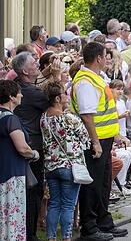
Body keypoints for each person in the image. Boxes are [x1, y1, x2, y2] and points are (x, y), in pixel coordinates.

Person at [70, 42, 126, 240]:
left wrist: (114, 135)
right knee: (92, 185)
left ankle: (103, 221)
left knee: (103, 183)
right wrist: (95, 142)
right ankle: (89, 228)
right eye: (105, 56)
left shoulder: (96, 78)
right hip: (95, 141)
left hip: (105, 138)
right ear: (98, 58)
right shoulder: (86, 81)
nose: (108, 60)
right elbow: (87, 115)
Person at [40, 81, 91, 241]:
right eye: (64, 94)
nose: (67, 96)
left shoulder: (43, 118)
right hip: (69, 166)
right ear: (57, 98)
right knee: (68, 205)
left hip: (51, 166)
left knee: (54, 203)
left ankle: (51, 237)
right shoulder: (69, 118)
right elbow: (85, 139)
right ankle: (66, 237)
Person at [12, 51, 48, 241]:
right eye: (34, 63)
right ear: (25, 71)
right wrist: (55, 77)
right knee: (33, 191)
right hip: (31, 147)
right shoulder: (31, 93)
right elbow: (54, 101)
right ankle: (30, 233)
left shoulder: (17, 85)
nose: (37, 65)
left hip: (23, 144)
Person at [1, 80, 40, 241]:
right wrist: (34, 154)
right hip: (12, 173)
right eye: (19, 93)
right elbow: (22, 148)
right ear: (11, 96)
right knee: (12, 215)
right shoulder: (11, 119)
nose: (21, 95)